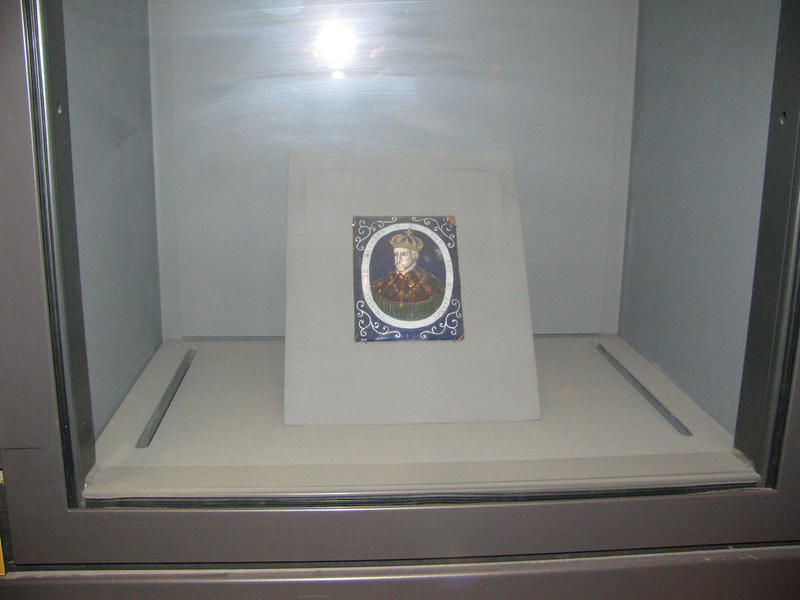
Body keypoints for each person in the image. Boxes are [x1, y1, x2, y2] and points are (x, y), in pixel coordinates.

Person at [370, 230, 444, 321]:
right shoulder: (383, 285)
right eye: (396, 254)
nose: (398, 259)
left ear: (414, 256)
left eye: (404, 254)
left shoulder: (431, 285)